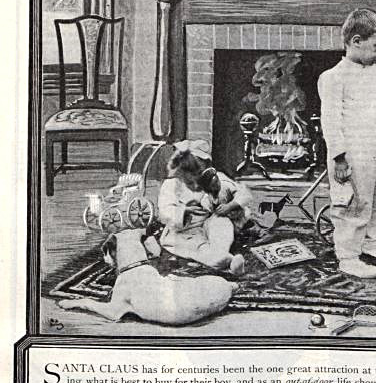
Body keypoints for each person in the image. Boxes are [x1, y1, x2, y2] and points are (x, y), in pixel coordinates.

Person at [318, 8, 376, 279]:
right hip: (352, 151)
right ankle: (348, 255)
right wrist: (339, 157)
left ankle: (371, 239)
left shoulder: (374, 72)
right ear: (356, 41)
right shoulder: (332, 78)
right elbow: (330, 121)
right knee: (352, 201)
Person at [56, 227, 236, 325]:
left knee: (168, 286)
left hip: (183, 315)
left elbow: (113, 313)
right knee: (171, 283)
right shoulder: (149, 270)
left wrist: (81, 302)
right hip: (218, 292)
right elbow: (156, 252)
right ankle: (232, 283)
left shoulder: (126, 278)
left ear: (112, 253)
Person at [158, 139, 249, 273]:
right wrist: (184, 211)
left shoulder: (213, 178)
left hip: (207, 221)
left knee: (222, 224)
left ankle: (221, 252)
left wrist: (231, 206)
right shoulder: (172, 185)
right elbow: (165, 211)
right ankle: (222, 260)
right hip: (184, 231)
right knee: (197, 247)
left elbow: (240, 193)